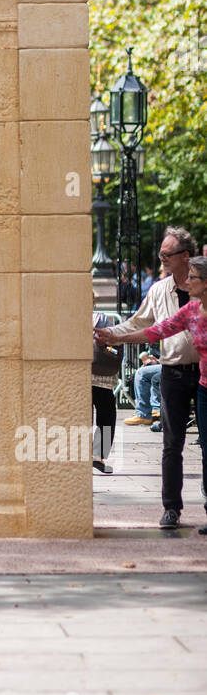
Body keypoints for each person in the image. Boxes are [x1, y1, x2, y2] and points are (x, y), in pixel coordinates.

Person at [95, 226, 199, 529]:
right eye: (161, 254)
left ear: (185, 256)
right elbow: (141, 324)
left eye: (167, 255)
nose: (161, 259)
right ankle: (171, 509)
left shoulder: (201, 287)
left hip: (203, 374)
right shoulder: (158, 290)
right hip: (172, 372)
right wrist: (111, 333)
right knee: (171, 444)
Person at [91, 302, 122, 474]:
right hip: (101, 377)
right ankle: (98, 456)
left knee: (84, 418)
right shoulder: (101, 319)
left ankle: (88, 456)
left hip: (83, 376)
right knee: (106, 416)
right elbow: (114, 345)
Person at [125, 352, 162, 426]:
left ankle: (144, 414)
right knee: (151, 375)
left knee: (141, 373)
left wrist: (159, 361)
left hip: (177, 367)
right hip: (177, 365)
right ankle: (155, 408)